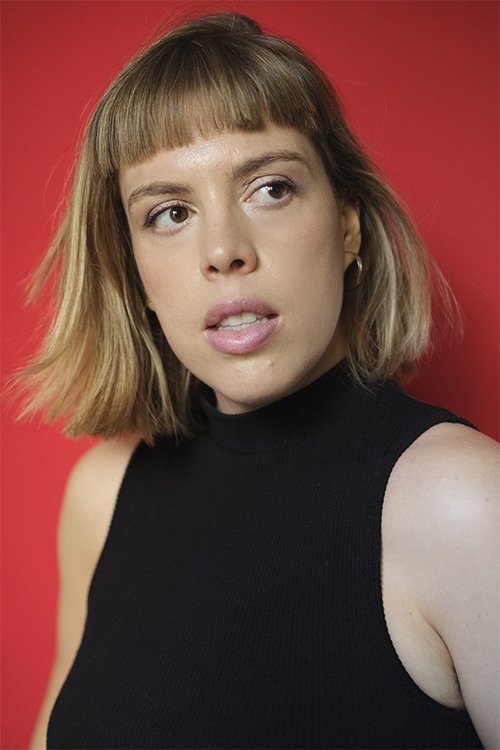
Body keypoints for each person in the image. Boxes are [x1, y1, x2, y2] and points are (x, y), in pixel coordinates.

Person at [23, 12, 498, 750]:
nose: (223, 250)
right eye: (170, 212)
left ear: (347, 224)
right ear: (135, 275)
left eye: (270, 188)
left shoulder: (465, 505)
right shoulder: (103, 495)